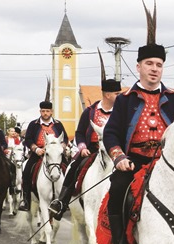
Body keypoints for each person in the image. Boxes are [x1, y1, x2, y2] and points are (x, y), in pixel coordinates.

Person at [102, 4, 174, 244]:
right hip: (135, 162)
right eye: (149, 64)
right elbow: (111, 132)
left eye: (159, 65)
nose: (154, 69)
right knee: (117, 192)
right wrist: (120, 157)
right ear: (138, 67)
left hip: (169, 163)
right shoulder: (125, 99)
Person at [49, 75, 121, 221]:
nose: (120, 96)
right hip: (92, 150)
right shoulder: (90, 111)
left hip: (117, 152)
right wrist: (82, 148)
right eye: (117, 94)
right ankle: (61, 203)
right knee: (72, 168)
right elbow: (80, 133)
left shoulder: (121, 112)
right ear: (108, 95)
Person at [18, 100, 68, 212]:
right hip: (39, 152)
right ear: (40, 111)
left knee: (68, 169)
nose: (45, 113)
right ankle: (25, 200)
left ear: (51, 112)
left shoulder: (58, 124)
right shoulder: (33, 124)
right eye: (43, 111)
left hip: (55, 153)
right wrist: (36, 149)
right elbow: (28, 139)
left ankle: (66, 198)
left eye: (47, 111)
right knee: (26, 172)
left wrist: (62, 147)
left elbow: (64, 138)